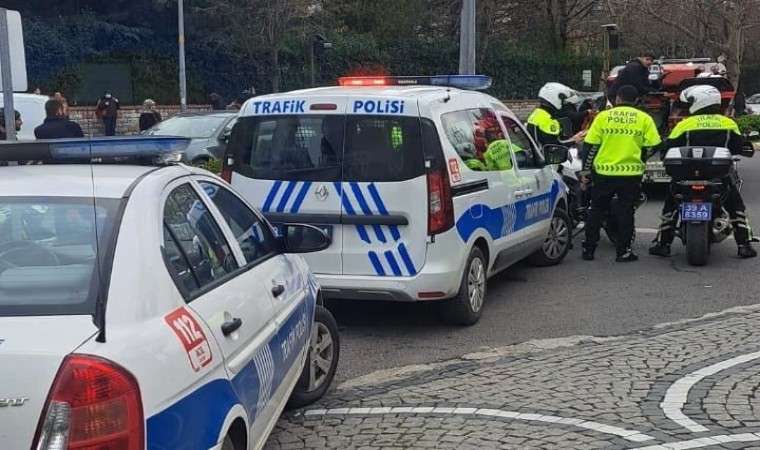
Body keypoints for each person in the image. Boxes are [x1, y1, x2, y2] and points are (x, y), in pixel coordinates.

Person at [649, 85, 757, 258]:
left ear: (699, 101)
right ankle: (744, 245)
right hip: (718, 176)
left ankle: (663, 244)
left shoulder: (685, 124)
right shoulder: (728, 123)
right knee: (735, 205)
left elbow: (667, 149)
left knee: (671, 205)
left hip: (686, 175)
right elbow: (737, 147)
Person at [580, 85, 662, 262]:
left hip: (603, 172)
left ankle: (589, 249)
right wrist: (641, 156)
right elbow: (654, 145)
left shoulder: (603, 117)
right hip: (630, 174)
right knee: (626, 212)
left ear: (617, 98)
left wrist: (586, 171)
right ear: (636, 100)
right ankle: (623, 252)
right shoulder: (644, 118)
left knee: (596, 209)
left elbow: (590, 147)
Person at [526, 83, 587, 148]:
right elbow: (554, 145)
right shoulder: (548, 120)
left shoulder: (538, 113)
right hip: (543, 153)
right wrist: (574, 140)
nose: (564, 105)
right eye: (563, 102)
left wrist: (571, 138)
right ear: (555, 99)